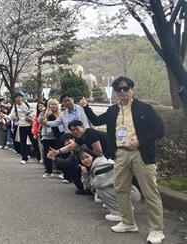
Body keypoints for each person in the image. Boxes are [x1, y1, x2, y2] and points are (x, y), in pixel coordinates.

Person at [80, 76, 165, 244]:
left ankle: (156, 230)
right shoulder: (113, 110)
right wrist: (86, 107)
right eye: (119, 89)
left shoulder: (144, 108)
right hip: (120, 153)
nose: (122, 92)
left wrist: (140, 141)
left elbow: (160, 129)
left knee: (150, 192)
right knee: (120, 188)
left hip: (140, 153)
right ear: (116, 92)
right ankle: (128, 222)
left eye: (126, 88)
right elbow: (97, 121)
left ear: (132, 90)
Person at [77, 146, 141, 222]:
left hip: (133, 192)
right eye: (82, 159)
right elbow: (88, 186)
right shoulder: (94, 166)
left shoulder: (102, 165)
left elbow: (96, 185)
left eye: (87, 157)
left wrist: (86, 176)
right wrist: (85, 174)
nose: (85, 160)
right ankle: (125, 208)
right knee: (101, 190)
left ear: (93, 155)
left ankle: (119, 213)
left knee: (100, 190)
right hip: (129, 191)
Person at [47, 120, 112, 160]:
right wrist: (57, 152)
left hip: (113, 154)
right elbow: (71, 146)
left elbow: (98, 152)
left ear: (82, 127)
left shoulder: (89, 132)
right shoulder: (82, 137)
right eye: (72, 130)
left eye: (76, 128)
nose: (75, 131)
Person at [2, 93, 37, 164]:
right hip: (21, 126)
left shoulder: (27, 104)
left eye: (19, 97)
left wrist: (29, 116)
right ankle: (24, 158)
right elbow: (10, 116)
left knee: (34, 142)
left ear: (22, 98)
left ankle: (38, 157)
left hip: (30, 125)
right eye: (17, 97)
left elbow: (35, 112)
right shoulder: (15, 107)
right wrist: (4, 116)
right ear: (15, 99)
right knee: (22, 143)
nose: (18, 99)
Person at [39, 99, 64, 178]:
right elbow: (39, 120)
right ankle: (48, 171)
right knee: (47, 154)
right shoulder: (44, 113)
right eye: (51, 104)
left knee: (59, 154)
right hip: (47, 136)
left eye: (55, 104)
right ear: (48, 106)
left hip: (58, 137)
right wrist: (44, 116)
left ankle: (61, 171)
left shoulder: (61, 114)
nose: (53, 106)